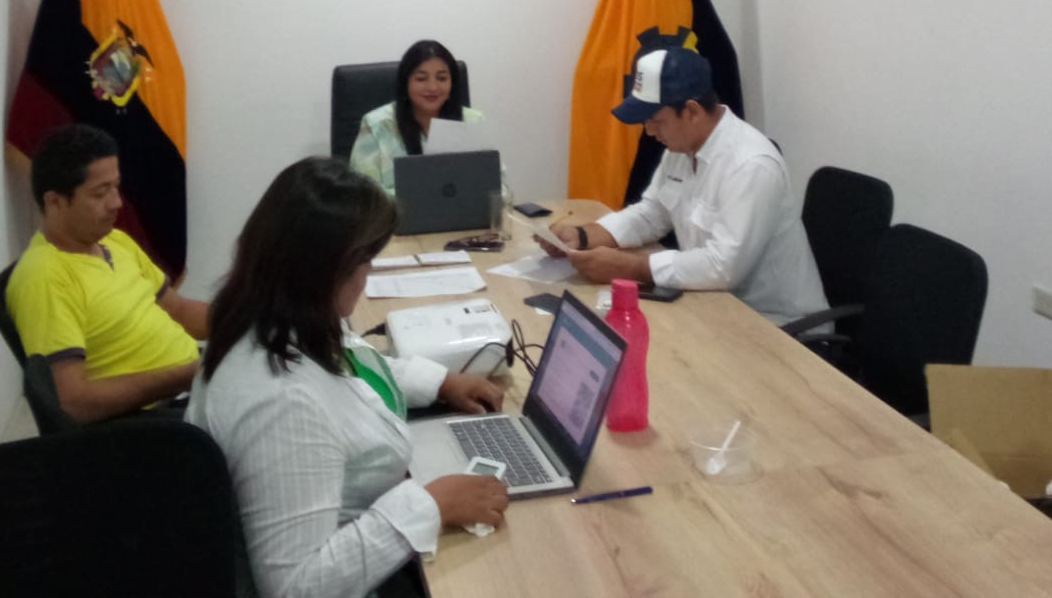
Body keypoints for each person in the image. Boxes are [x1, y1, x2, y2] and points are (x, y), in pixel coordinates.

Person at [188, 156, 508, 598]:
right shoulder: (282, 404)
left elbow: (352, 367)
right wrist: (432, 505)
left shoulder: (276, 315)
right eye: (365, 261)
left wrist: (439, 382)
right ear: (324, 271)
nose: (369, 273)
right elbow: (295, 587)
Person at [544, 45, 828, 328]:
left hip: (776, 326)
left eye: (657, 121)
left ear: (692, 111)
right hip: (712, 305)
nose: (649, 131)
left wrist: (631, 267)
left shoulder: (751, 165)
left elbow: (723, 267)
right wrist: (583, 236)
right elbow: (652, 213)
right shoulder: (682, 147)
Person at [5, 123, 208, 423]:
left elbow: (179, 311)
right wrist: (184, 377)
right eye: (100, 193)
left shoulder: (114, 240)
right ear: (55, 202)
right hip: (153, 421)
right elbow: (73, 403)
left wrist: (249, 319)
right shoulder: (44, 277)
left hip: (189, 387)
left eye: (116, 187)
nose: (116, 203)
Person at [348, 39, 483, 195]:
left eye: (442, 78)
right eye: (421, 79)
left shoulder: (473, 122)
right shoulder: (377, 125)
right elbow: (362, 193)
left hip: (465, 210)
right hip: (395, 211)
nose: (433, 87)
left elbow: (497, 186)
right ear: (405, 83)